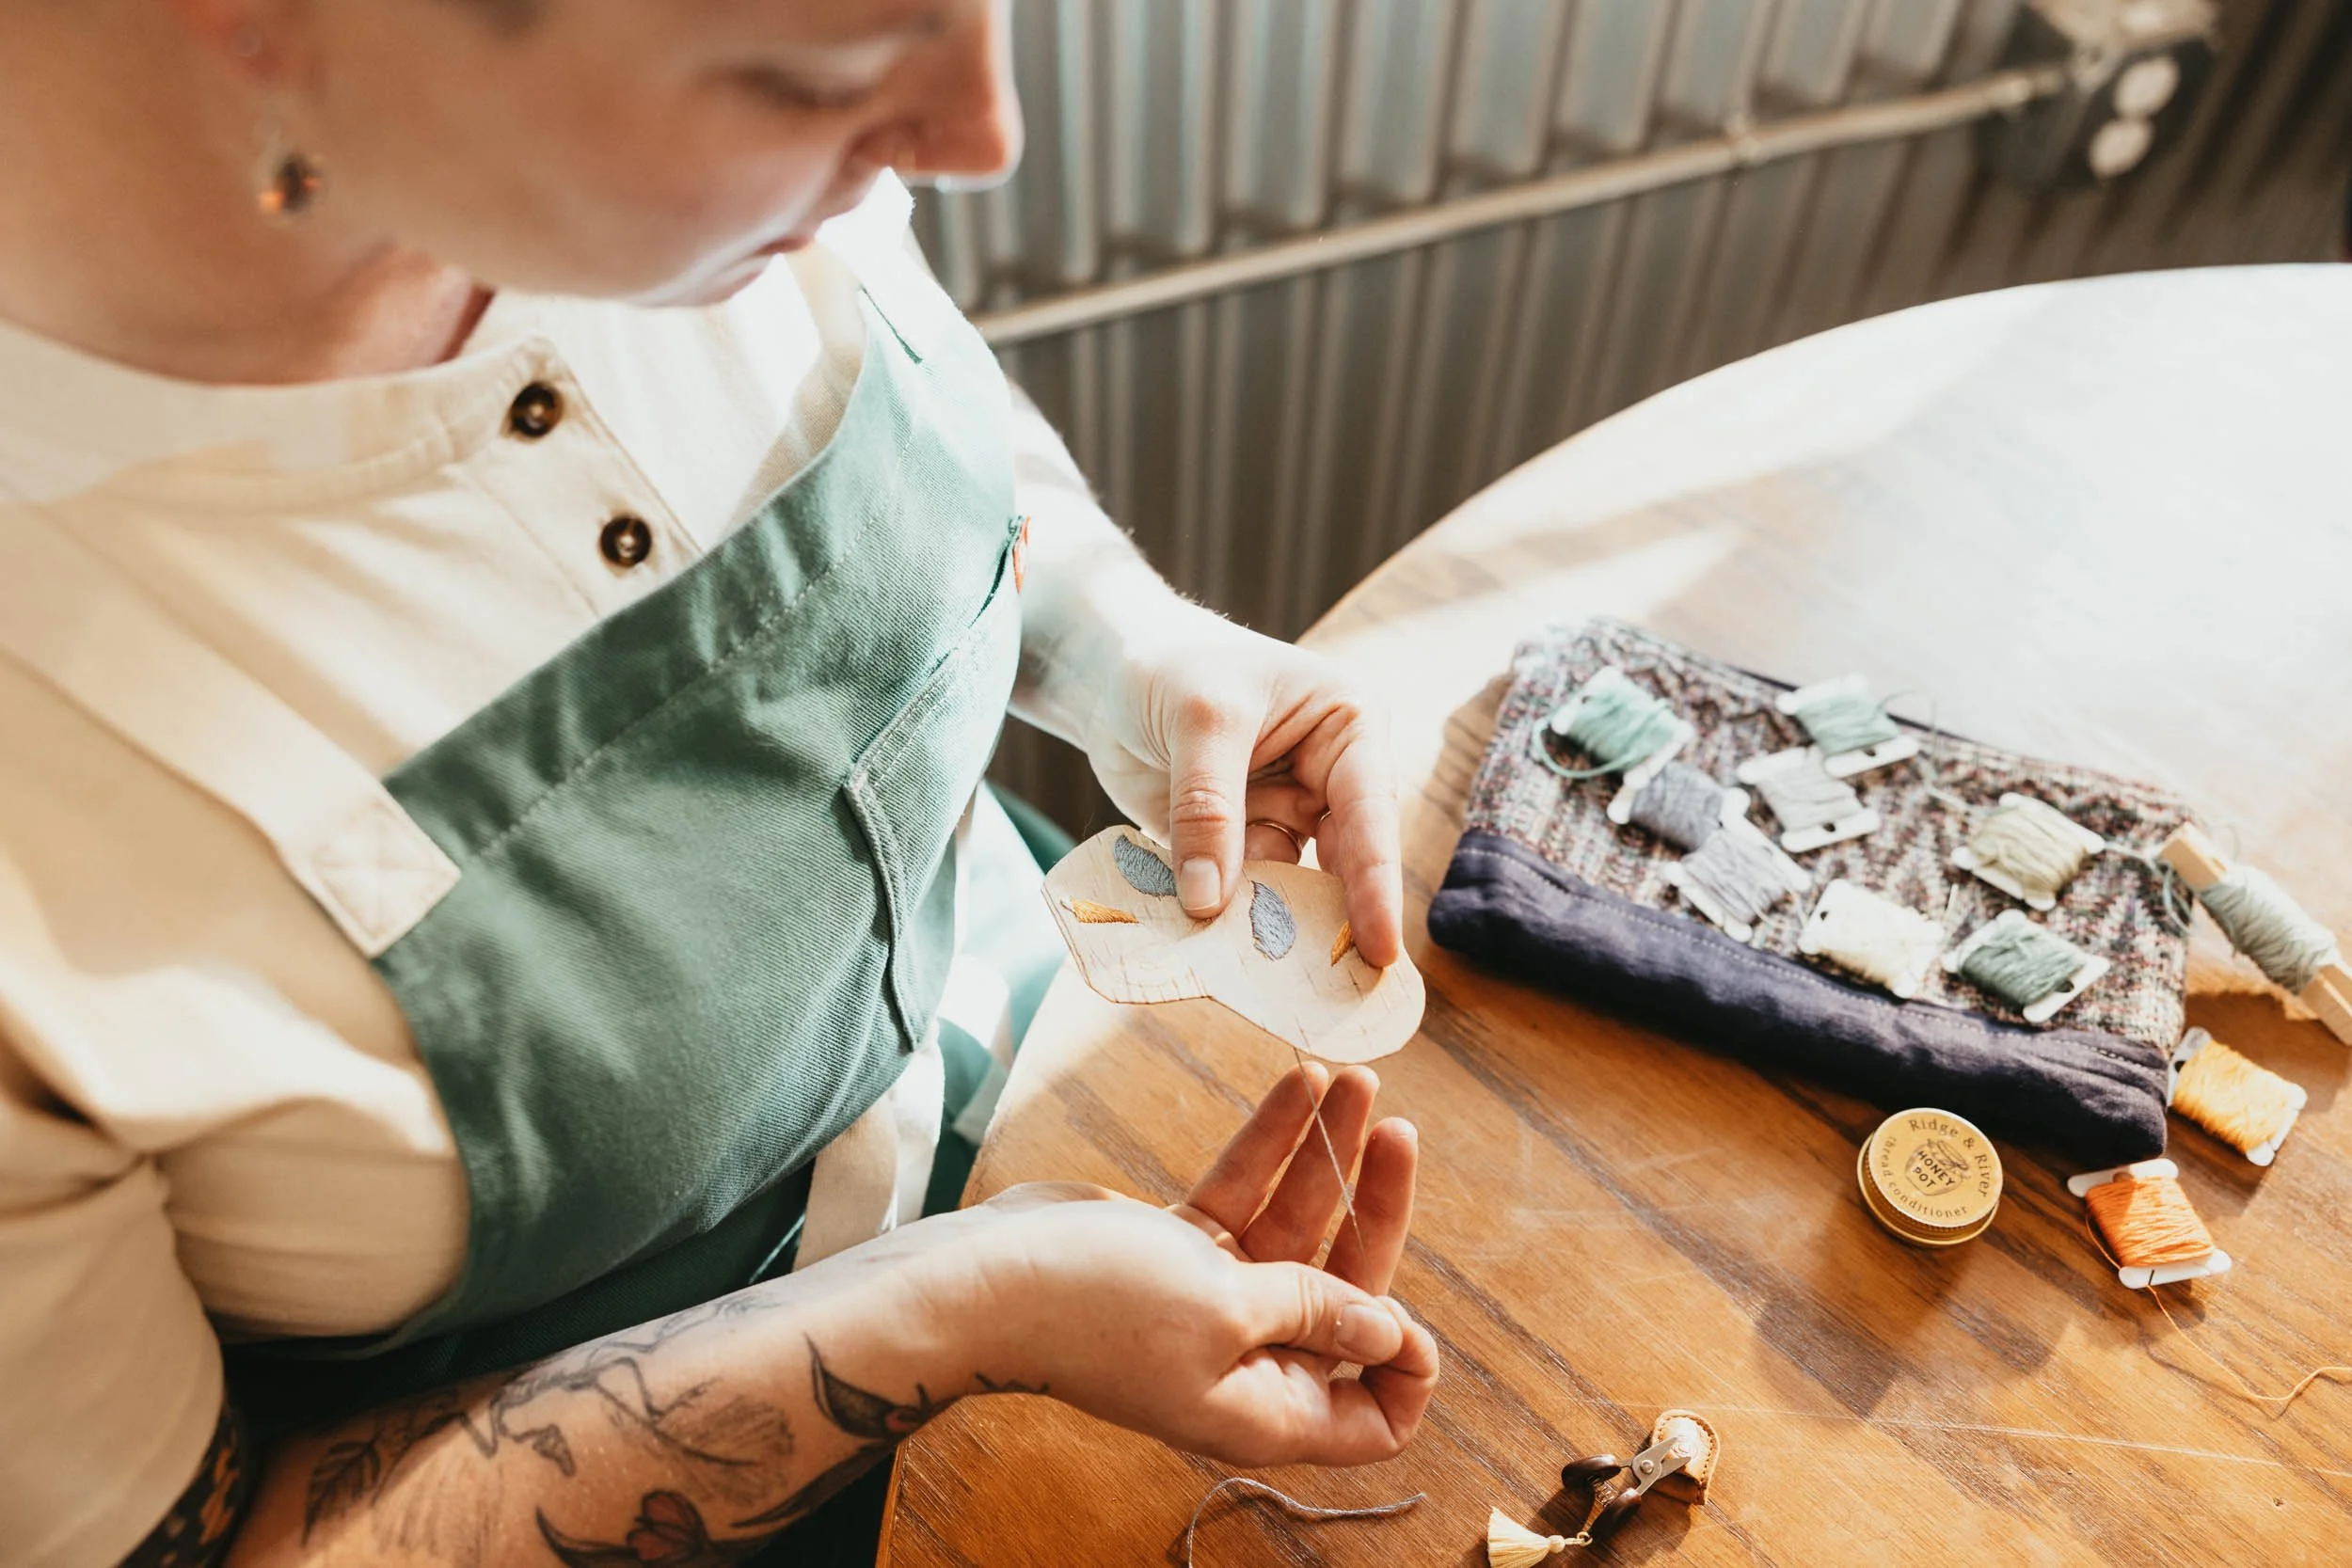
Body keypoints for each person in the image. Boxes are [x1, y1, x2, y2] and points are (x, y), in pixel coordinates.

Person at [0, 3, 1437, 1564]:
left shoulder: (668, 159)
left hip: (1055, 1085)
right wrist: (956, 1314)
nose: (982, 141)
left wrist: (1122, 644)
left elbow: (893, 366)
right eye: (811, 77)